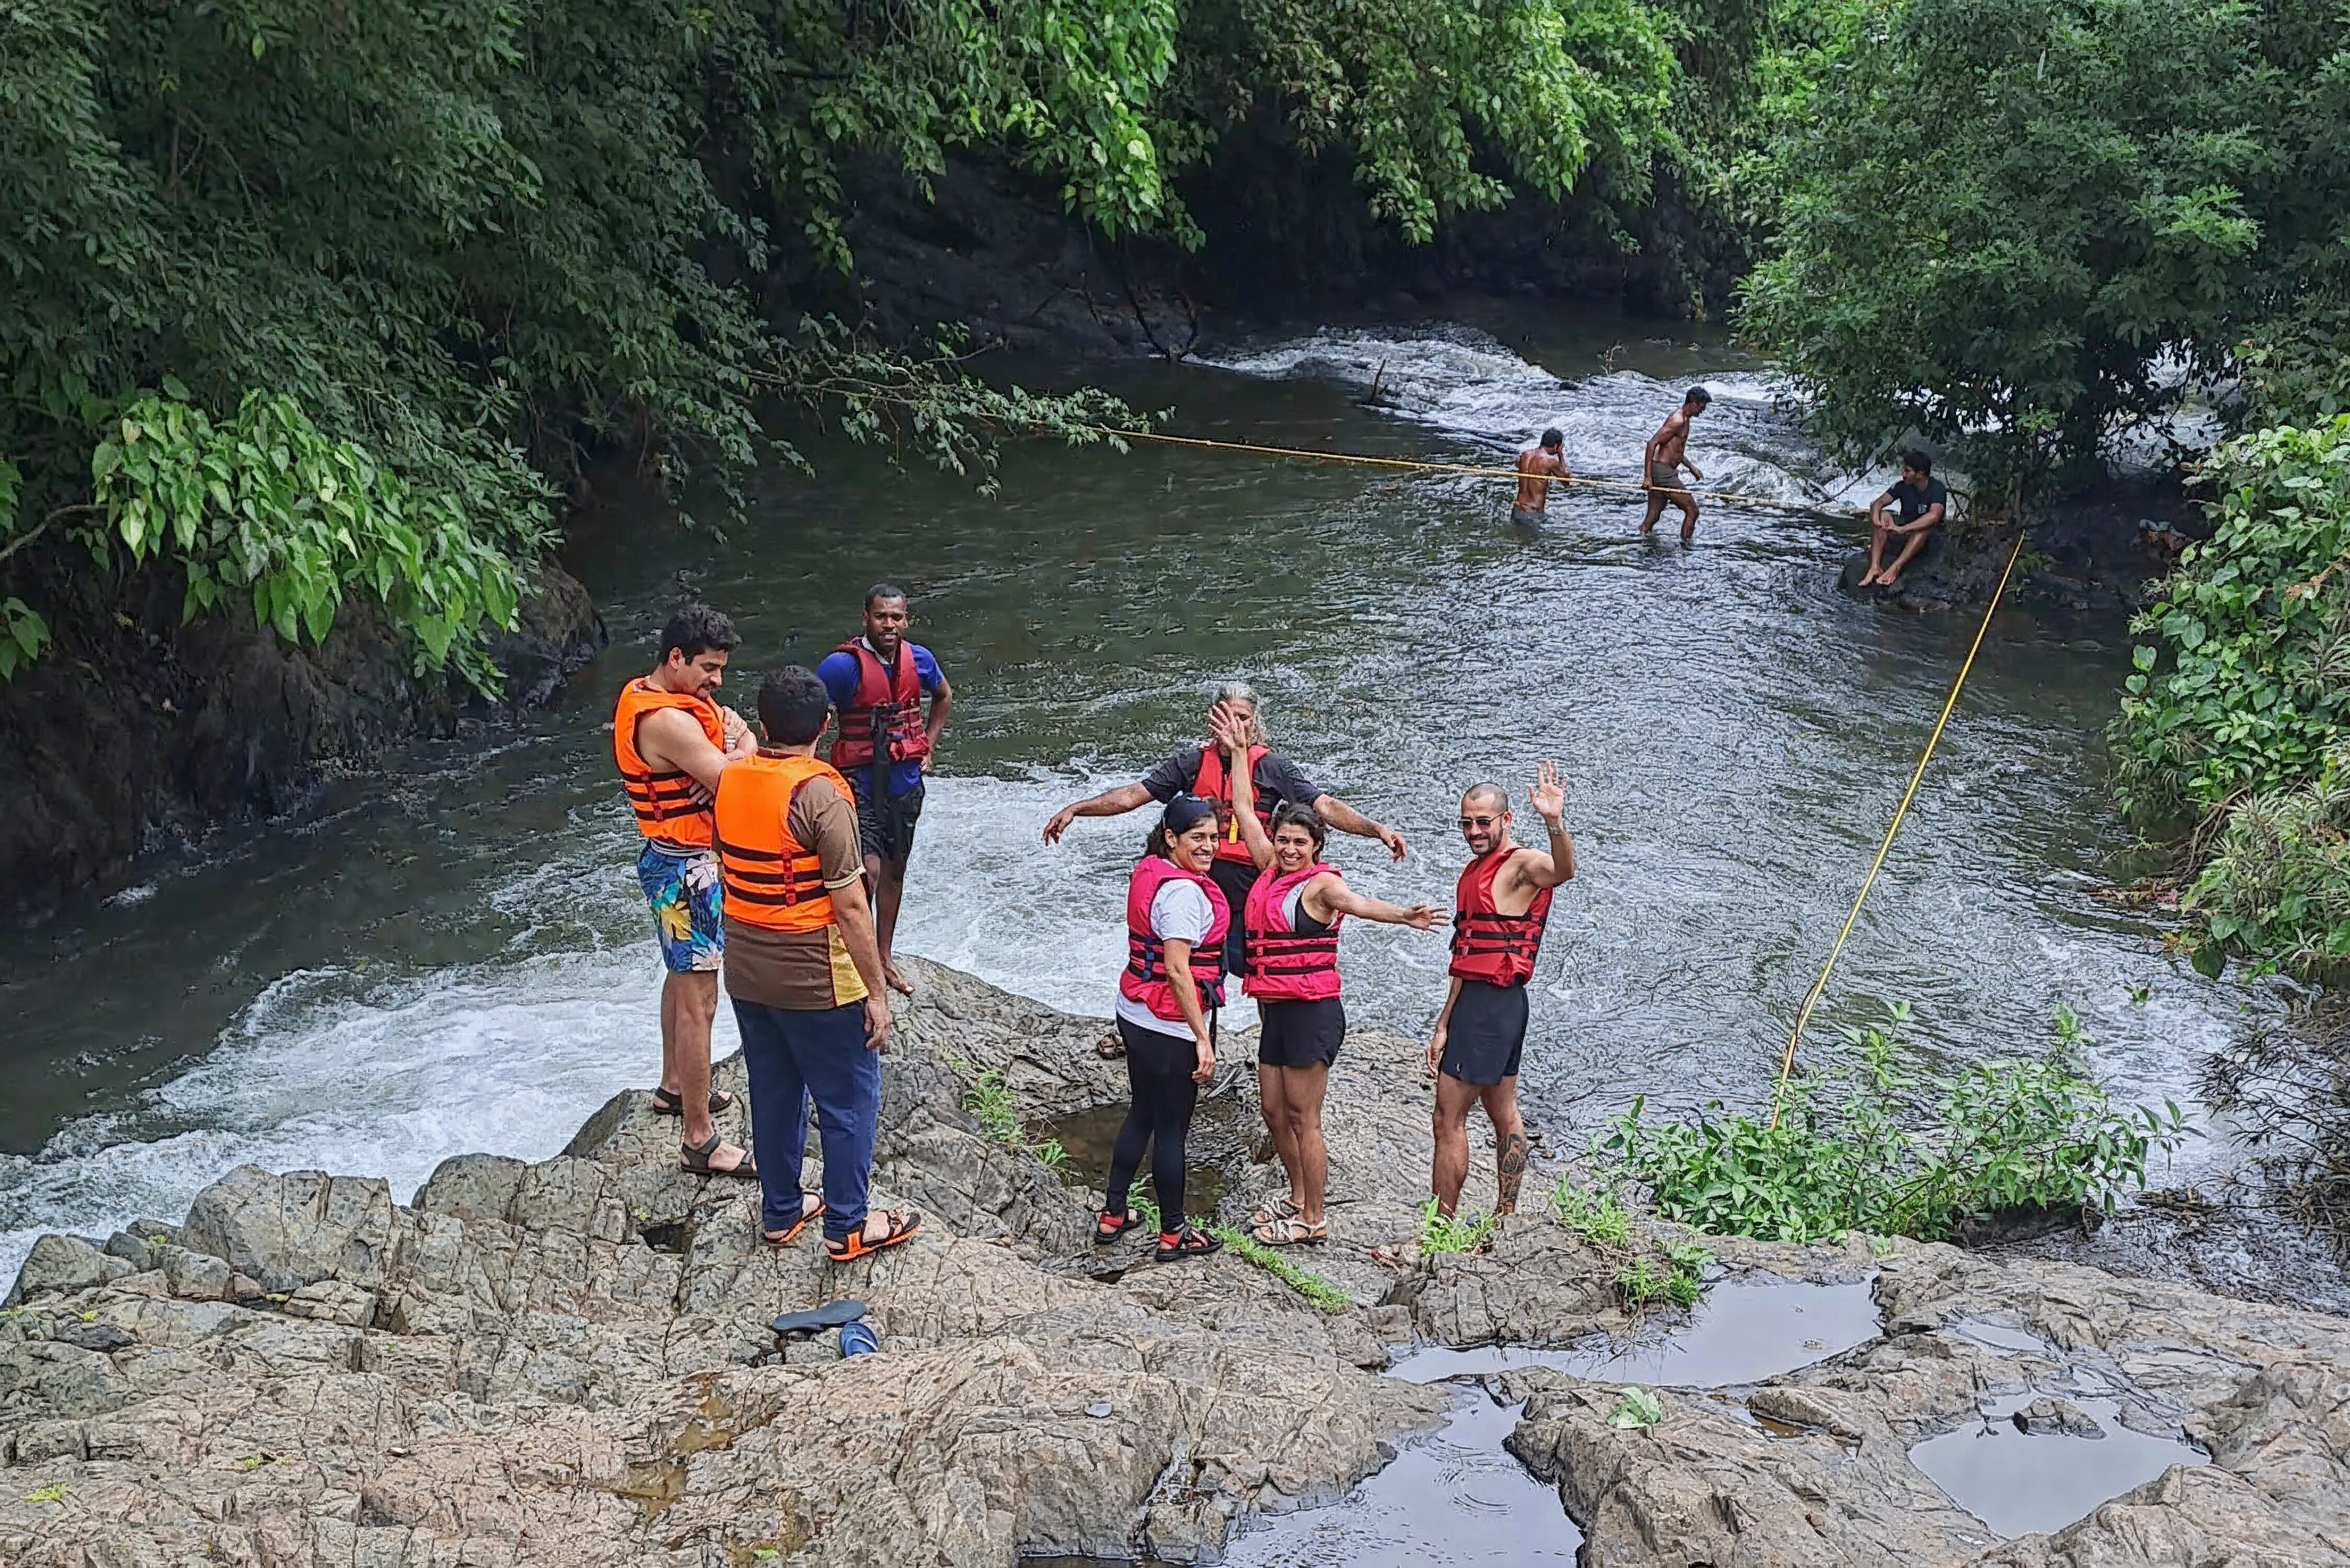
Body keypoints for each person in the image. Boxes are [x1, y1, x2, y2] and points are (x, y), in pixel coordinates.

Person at [717, 666, 921, 1262]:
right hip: (815, 977)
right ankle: (848, 1226)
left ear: (761, 724)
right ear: (826, 726)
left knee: (774, 1089)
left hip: (746, 968)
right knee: (847, 1099)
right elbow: (852, 906)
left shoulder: (729, 780)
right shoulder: (823, 795)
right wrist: (876, 994)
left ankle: (781, 1212)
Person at [1042, 682, 1408, 997]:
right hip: (1203, 885)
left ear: (1255, 722)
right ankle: (1197, 1043)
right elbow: (1134, 795)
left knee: (1266, 970)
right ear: (1213, 718)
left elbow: (1324, 805)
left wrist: (1376, 829)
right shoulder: (1191, 763)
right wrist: (1079, 808)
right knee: (1198, 971)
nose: (1235, 725)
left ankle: (1271, 1043)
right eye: (1228, 716)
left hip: (1253, 889)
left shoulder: (1271, 767)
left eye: (1244, 718)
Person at [1223, 719, 1439, 1247]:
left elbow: (1359, 905)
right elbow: (1244, 807)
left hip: (1311, 1011)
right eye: (1284, 841)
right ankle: (1296, 1196)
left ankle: (1313, 1218)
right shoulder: (1267, 866)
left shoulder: (1321, 885)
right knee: (1273, 1112)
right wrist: (1238, 752)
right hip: (1275, 1008)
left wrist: (1403, 916)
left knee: (1304, 1118)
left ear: (1316, 846)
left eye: (1300, 842)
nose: (1289, 849)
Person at [613, 604, 758, 1178]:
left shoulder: (643, 694)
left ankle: (674, 1087)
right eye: (707, 667)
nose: (716, 681)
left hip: (669, 861)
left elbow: (737, 734)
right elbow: (735, 782)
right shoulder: (670, 722)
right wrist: (733, 753)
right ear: (675, 659)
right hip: (688, 868)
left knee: (681, 981)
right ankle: (699, 1140)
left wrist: (734, 745)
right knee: (700, 999)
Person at [1429, 763, 1575, 1221]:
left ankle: (1440, 1227)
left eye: (1483, 822)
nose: (1474, 831)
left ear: (1506, 821)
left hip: (1494, 1006)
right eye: (1467, 822)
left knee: (1447, 1119)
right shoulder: (1474, 872)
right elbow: (1465, 954)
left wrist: (1554, 822)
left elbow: (1564, 870)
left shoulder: (1521, 866)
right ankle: (1505, 1219)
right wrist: (1443, 1024)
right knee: (1502, 1109)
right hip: (1491, 1004)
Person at [1095, 794, 1229, 1262]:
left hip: (1134, 1013)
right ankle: (1174, 1232)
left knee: (1143, 1113)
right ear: (1172, 838)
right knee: (1171, 1129)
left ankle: (1114, 1212)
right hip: (1168, 1028)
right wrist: (1202, 1037)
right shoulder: (1184, 894)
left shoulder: (1154, 869)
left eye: (1214, 837)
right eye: (1198, 838)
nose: (1210, 846)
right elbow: (1177, 970)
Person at [818, 583, 952, 997]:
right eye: (881, 616)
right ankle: (858, 958)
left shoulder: (921, 660)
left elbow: (944, 696)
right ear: (866, 619)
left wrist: (928, 742)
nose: (889, 624)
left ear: (905, 620)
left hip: (905, 781)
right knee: (868, 871)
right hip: (857, 781)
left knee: (895, 867)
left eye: (896, 617)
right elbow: (809, 713)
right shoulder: (841, 668)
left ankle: (884, 955)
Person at [1859, 451, 1950, 589]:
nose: (1903, 474)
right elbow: (1877, 503)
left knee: (1923, 527)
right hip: (1905, 530)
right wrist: (1877, 520)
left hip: (1929, 536)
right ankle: (1875, 567)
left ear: (1920, 474)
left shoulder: (1937, 488)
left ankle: (1896, 568)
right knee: (1883, 515)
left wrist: (1902, 529)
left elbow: (1934, 516)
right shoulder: (1902, 486)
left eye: (1907, 471)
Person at [1640, 387, 1711, 544]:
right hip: (1662, 473)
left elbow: (1676, 450)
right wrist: (1647, 478)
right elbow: (1652, 444)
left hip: (1663, 471)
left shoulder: (1686, 420)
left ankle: (1639, 542)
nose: (1702, 412)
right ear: (1693, 404)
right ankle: (1686, 550)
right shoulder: (1677, 421)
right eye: (1701, 408)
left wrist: (1692, 468)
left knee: (1653, 516)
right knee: (1693, 510)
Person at [1512, 429, 1573, 526]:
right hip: (1533, 513)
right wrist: (1561, 455)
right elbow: (1566, 482)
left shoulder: (1524, 455)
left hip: (1518, 509)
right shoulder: (1550, 461)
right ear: (1557, 447)